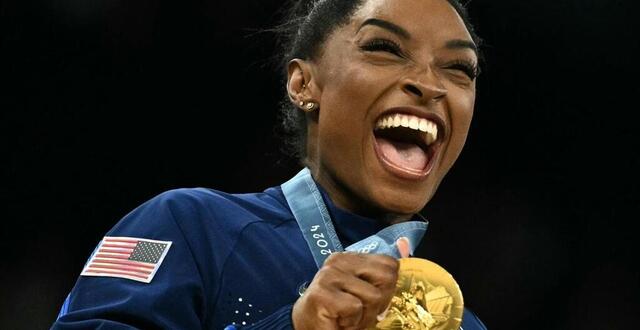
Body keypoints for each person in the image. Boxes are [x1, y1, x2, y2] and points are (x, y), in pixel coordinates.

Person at [52, 0, 487, 328]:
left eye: (459, 69)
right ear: (303, 83)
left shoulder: (459, 324)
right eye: (384, 48)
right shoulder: (185, 227)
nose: (430, 85)